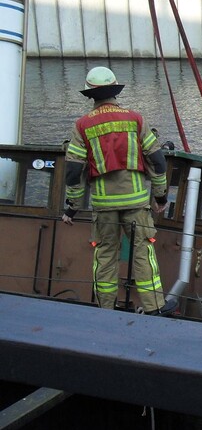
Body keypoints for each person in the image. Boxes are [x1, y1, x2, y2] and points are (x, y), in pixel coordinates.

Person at [62, 67, 169, 314]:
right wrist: (160, 196)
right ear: (115, 91)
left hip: (104, 205)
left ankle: (105, 310)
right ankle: (155, 307)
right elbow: (158, 161)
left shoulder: (82, 126)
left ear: (91, 95)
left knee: (105, 256)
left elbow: (73, 172)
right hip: (136, 204)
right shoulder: (136, 120)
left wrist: (72, 208)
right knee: (143, 253)